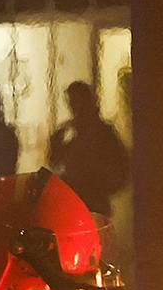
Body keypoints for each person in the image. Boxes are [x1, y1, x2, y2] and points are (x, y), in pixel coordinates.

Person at [47, 80, 129, 217]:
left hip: (94, 204)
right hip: (77, 203)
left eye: (76, 102)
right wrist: (56, 144)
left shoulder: (101, 133)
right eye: (71, 102)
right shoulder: (74, 132)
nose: (73, 107)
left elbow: (119, 168)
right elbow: (55, 162)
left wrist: (97, 184)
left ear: (87, 101)